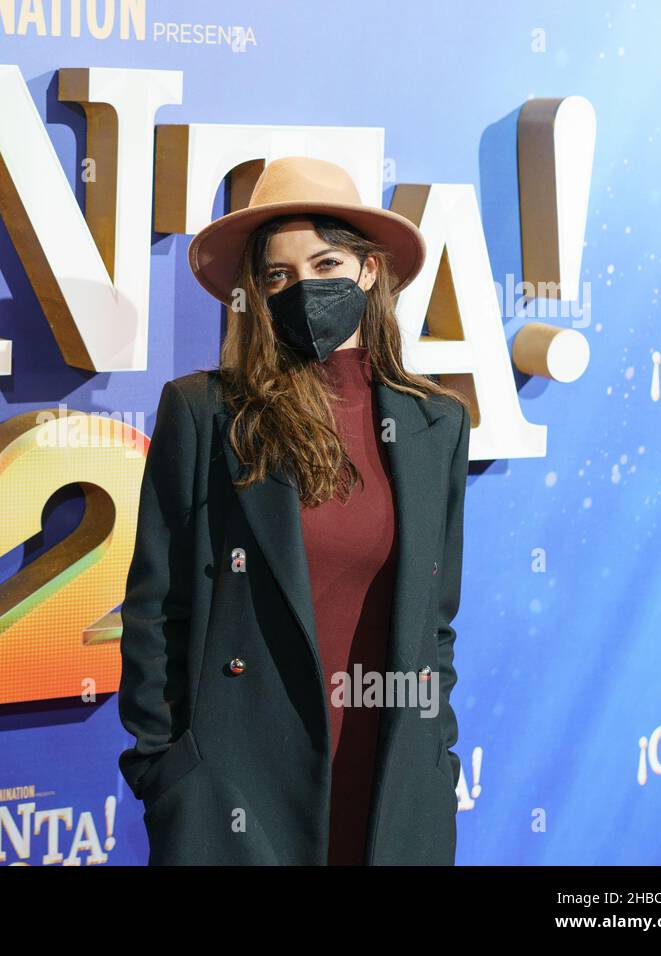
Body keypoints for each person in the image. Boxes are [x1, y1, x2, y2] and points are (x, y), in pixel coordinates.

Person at [117, 156, 471, 865]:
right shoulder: (206, 413)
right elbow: (157, 612)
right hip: (239, 791)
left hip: (390, 781)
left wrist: (436, 757)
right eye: (278, 276)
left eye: (326, 262)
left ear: (369, 271)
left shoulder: (437, 424)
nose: (304, 288)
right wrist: (169, 773)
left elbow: (435, 621)